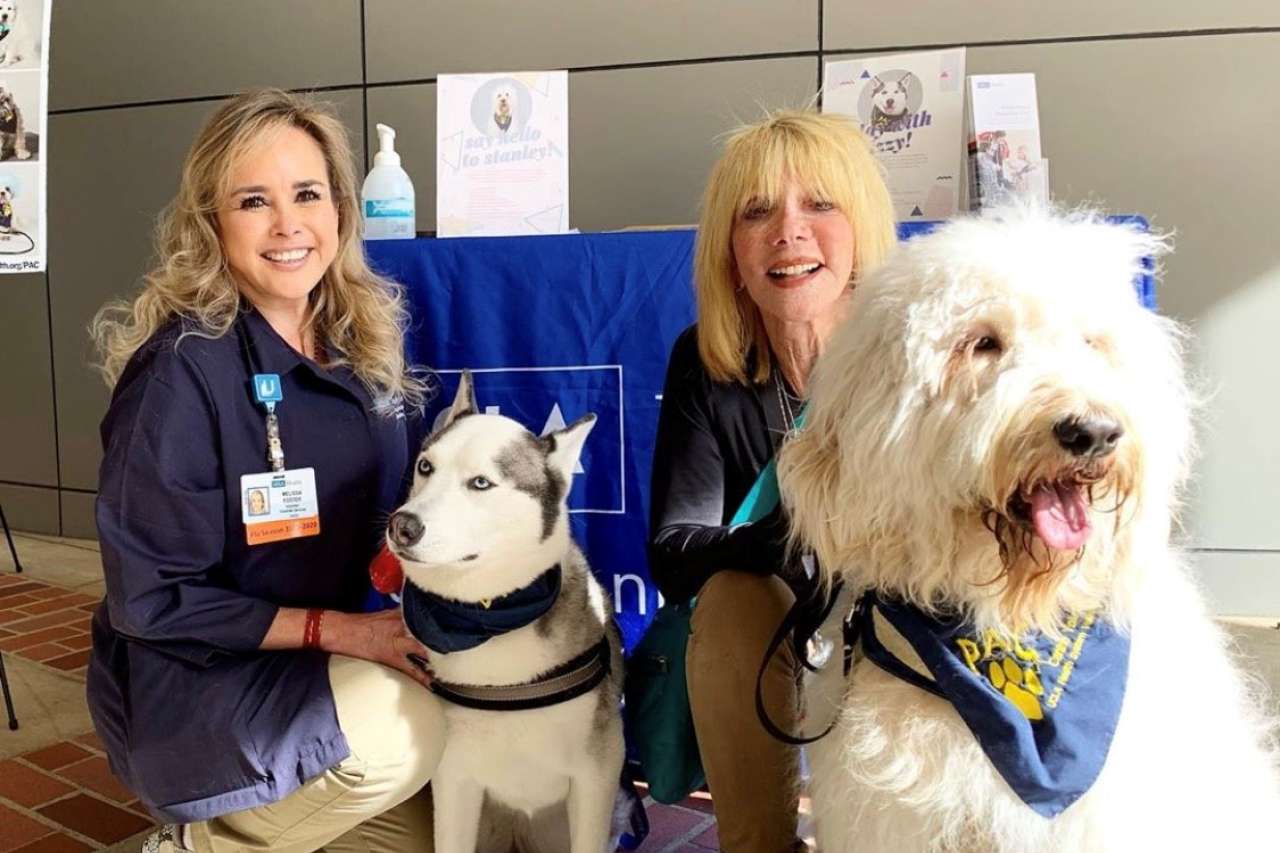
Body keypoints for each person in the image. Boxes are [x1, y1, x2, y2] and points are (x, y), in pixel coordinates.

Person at [87, 88, 443, 853]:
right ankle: (189, 845)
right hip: (199, 684)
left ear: (340, 211)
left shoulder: (366, 351)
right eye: (254, 200)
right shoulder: (181, 373)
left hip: (325, 665)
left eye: (307, 194)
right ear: (212, 224)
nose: (288, 225)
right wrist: (339, 629)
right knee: (400, 730)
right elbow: (153, 597)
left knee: (435, 832)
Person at [648, 109, 896, 852]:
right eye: (758, 212)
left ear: (862, 226)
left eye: (819, 204)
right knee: (728, 599)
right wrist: (787, 540)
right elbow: (674, 548)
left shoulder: (914, 346)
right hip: (784, 604)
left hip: (906, 607)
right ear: (731, 248)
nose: (789, 232)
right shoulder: (705, 357)